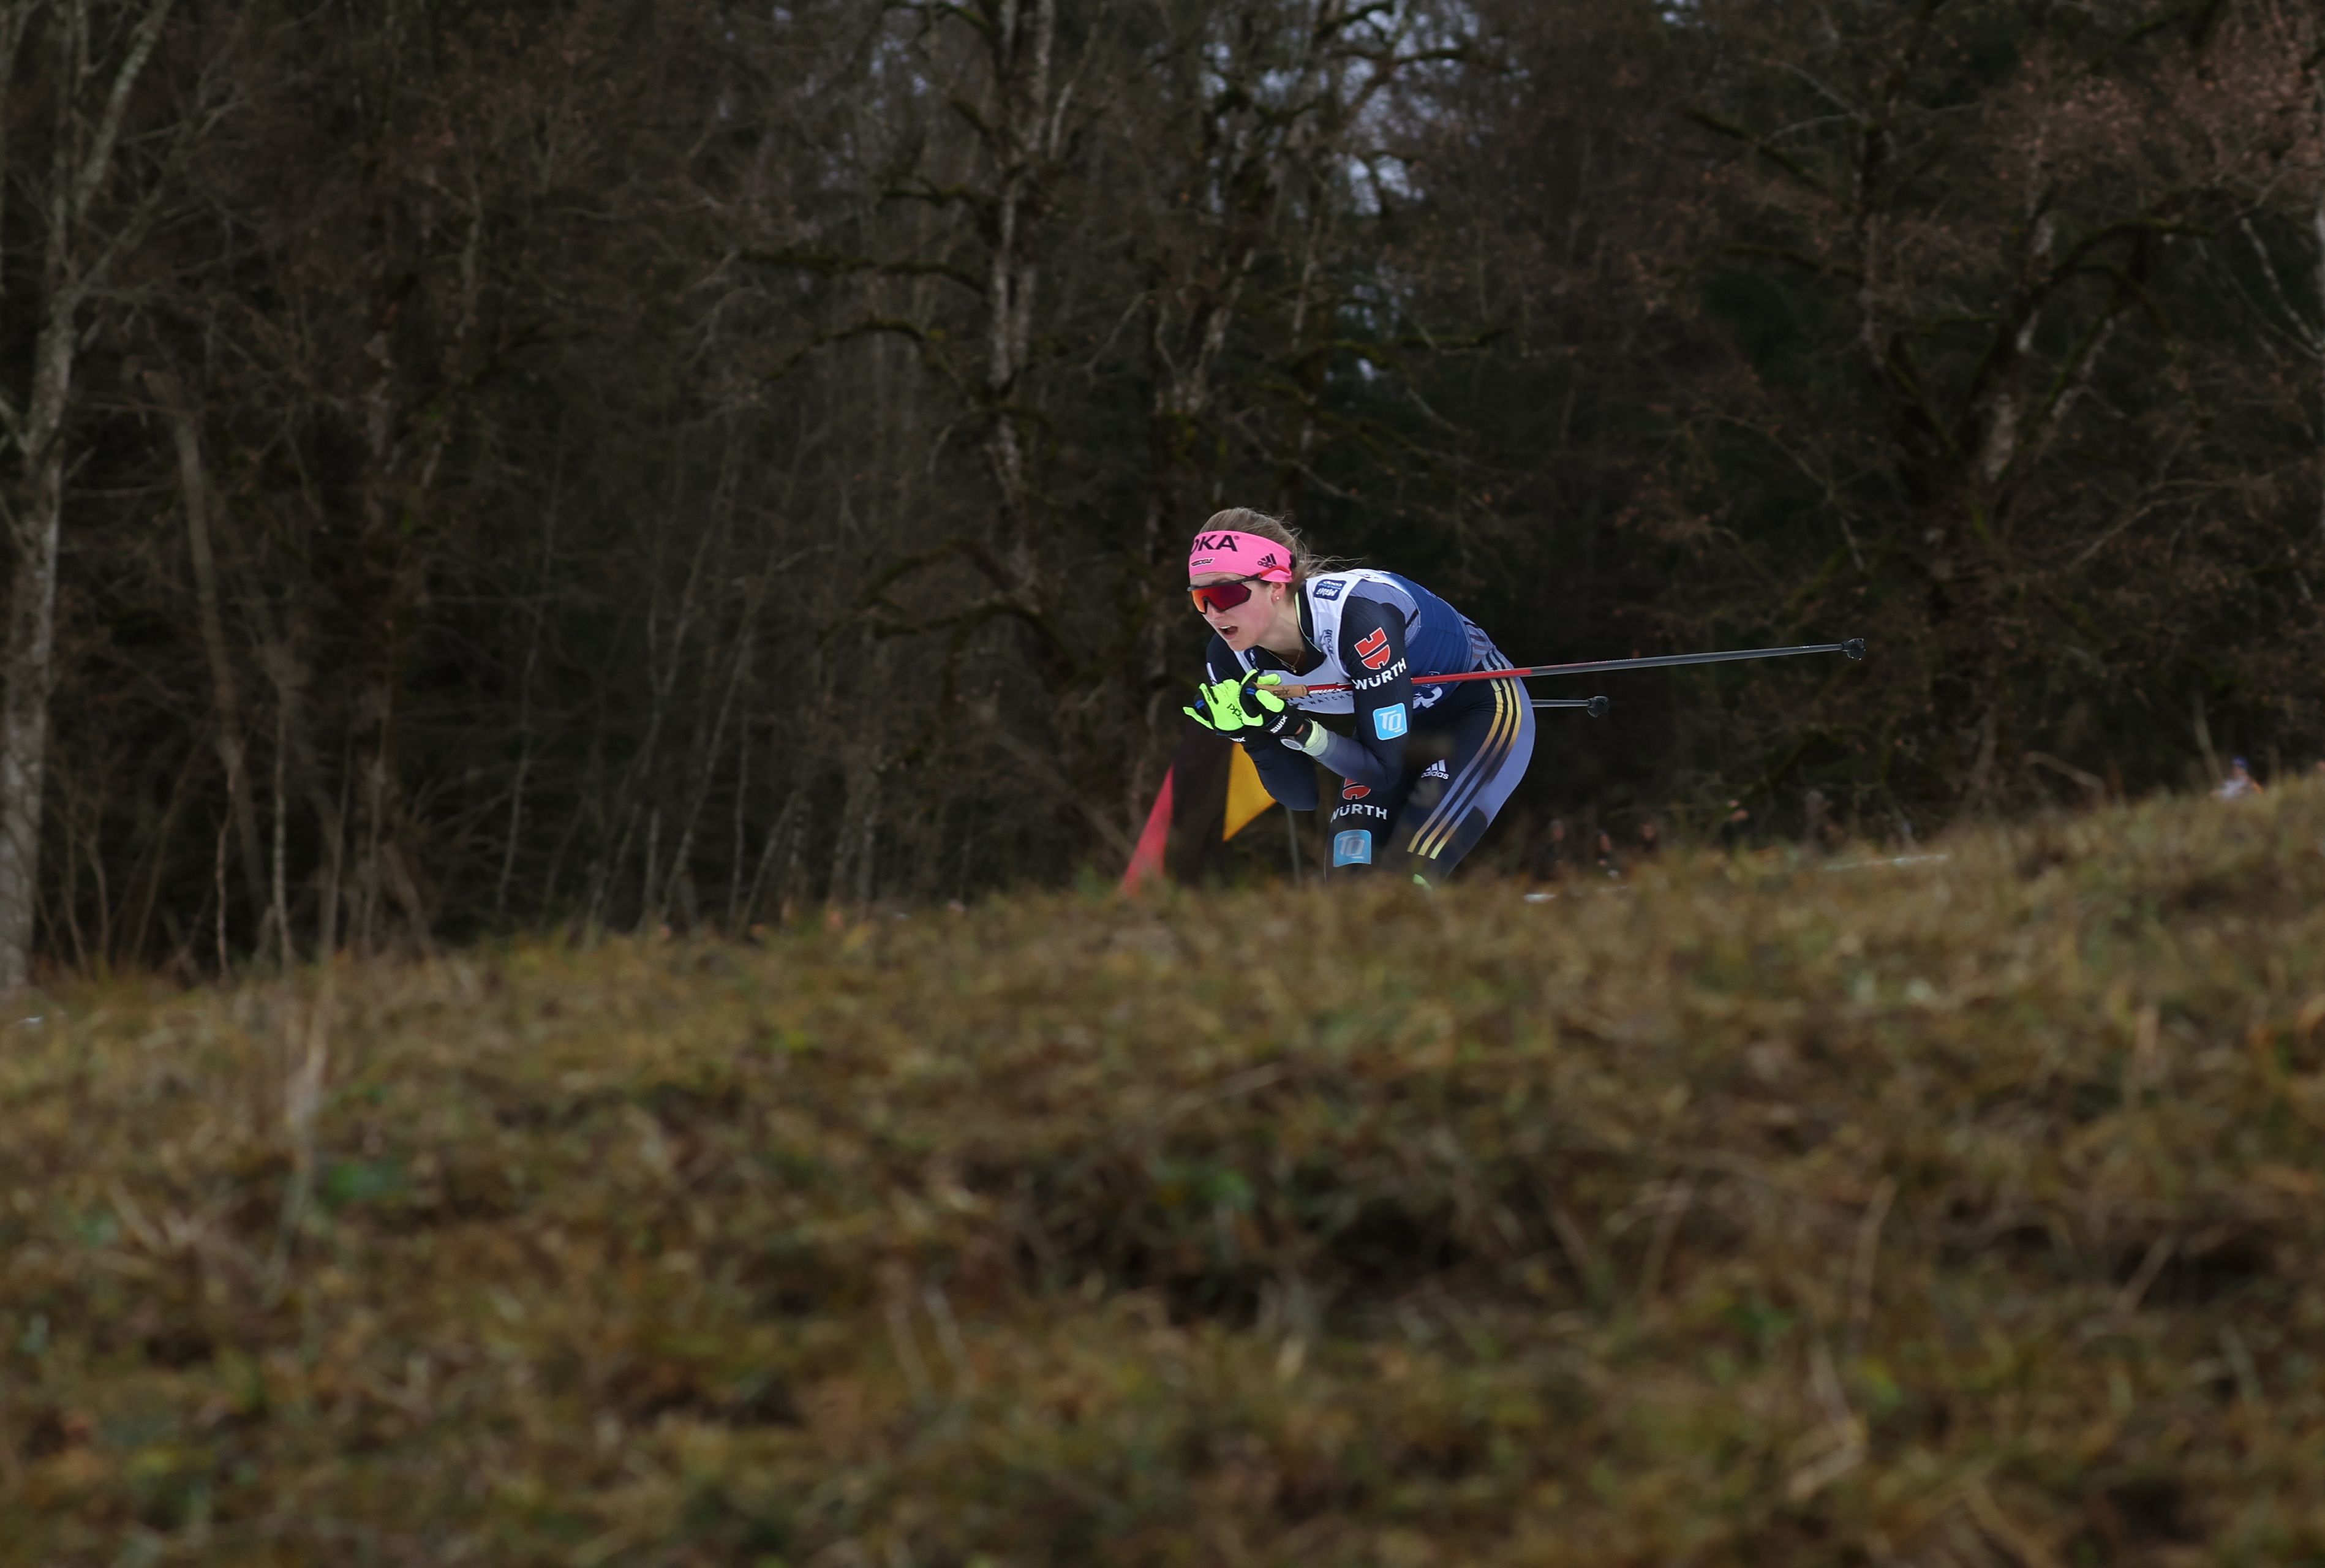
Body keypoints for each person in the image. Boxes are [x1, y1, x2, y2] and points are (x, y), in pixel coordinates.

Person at [1180, 509, 1534, 882]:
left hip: (1475, 705)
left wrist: (1294, 728)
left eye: (1226, 593)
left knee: (1410, 875)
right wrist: (1253, 735)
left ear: (1276, 586)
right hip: (1390, 731)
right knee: (1350, 887)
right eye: (1200, 598)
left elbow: (1381, 771)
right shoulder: (1228, 658)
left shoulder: (1355, 621)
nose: (1214, 613)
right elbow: (1301, 797)